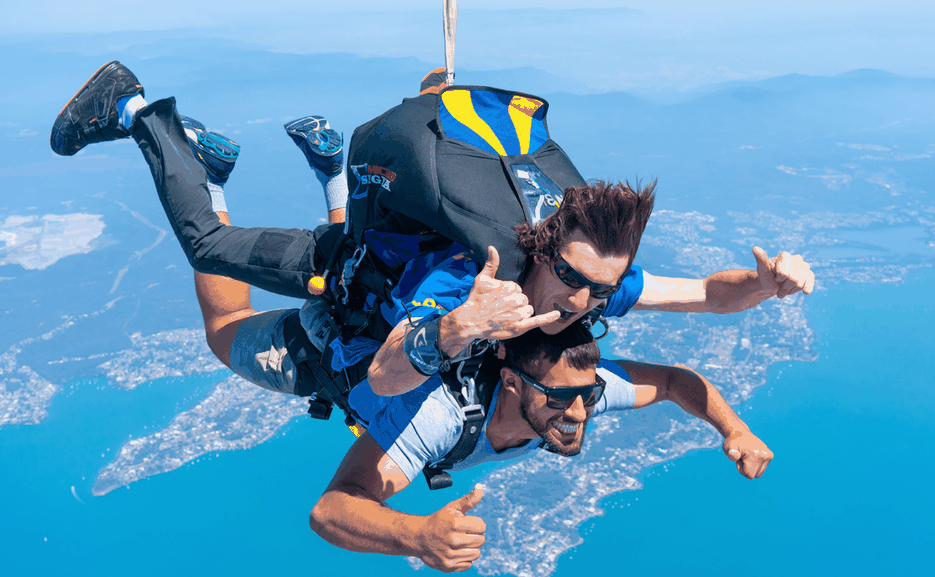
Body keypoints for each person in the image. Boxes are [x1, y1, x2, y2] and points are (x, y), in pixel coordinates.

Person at [49, 61, 816, 406]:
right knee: (209, 249)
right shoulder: (472, 279)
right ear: (544, 247)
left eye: (601, 288)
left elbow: (705, 295)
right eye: (574, 277)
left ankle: (245, 162)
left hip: (367, 279)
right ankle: (135, 108)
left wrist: (764, 285)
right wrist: (458, 326)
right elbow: (387, 374)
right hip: (337, 269)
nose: (584, 300)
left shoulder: (585, 289)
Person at [313, 321, 773, 573]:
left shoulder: (577, 389)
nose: (579, 413)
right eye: (559, 398)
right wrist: (415, 536)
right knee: (259, 316)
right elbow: (330, 510)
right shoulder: (440, 416)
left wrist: (734, 429)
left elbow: (672, 381)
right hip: (319, 359)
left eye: (589, 394)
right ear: (512, 382)